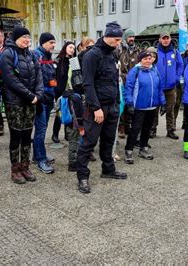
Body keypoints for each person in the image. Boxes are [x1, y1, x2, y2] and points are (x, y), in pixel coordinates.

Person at [76, 21, 127, 194]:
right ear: (106, 36)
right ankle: (82, 177)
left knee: (108, 140)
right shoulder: (93, 55)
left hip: (112, 106)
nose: (118, 42)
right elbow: (87, 84)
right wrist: (96, 107)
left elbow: (114, 80)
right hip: (97, 108)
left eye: (120, 39)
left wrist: (118, 103)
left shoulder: (112, 54)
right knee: (88, 142)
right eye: (116, 39)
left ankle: (108, 169)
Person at [0, 26, 44, 184]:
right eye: (24, 37)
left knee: (27, 135)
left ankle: (25, 166)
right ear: (16, 38)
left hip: (31, 102)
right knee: (16, 135)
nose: (27, 40)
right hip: (15, 102)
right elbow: (10, 80)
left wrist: (38, 94)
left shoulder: (31, 55)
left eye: (28, 37)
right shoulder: (7, 54)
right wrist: (30, 95)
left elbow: (39, 75)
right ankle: (15, 169)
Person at [124, 51, 165, 164]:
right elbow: (129, 88)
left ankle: (143, 148)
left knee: (147, 129)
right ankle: (129, 150)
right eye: (145, 58)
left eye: (150, 58)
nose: (148, 60)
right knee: (135, 129)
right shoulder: (135, 71)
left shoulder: (155, 70)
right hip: (139, 106)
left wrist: (163, 102)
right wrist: (130, 103)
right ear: (140, 60)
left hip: (152, 106)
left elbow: (159, 87)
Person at [150, 32, 183, 140]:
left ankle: (171, 130)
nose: (165, 40)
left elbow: (180, 65)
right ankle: (152, 129)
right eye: (163, 38)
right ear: (159, 40)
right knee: (154, 109)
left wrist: (177, 77)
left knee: (170, 109)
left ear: (170, 39)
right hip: (157, 86)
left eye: (167, 38)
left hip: (171, 86)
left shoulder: (175, 51)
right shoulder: (155, 52)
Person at [32, 32, 57, 174]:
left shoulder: (48, 57)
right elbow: (35, 79)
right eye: (51, 42)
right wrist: (38, 99)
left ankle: (37, 155)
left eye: (54, 42)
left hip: (48, 98)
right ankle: (41, 159)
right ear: (43, 43)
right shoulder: (36, 56)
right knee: (40, 130)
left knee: (42, 128)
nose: (53, 45)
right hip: (40, 100)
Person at [116, 29, 140, 139]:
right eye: (130, 37)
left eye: (133, 37)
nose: (132, 39)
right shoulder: (120, 49)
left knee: (131, 104)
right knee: (122, 103)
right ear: (125, 38)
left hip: (133, 80)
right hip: (121, 80)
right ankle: (121, 127)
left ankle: (127, 126)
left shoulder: (137, 50)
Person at [52, 41, 76, 143]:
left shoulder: (74, 61)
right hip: (60, 91)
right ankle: (55, 134)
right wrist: (57, 90)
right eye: (70, 47)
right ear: (65, 47)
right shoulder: (58, 60)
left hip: (70, 90)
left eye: (74, 48)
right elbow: (54, 76)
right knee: (59, 112)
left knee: (70, 112)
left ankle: (68, 134)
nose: (72, 50)